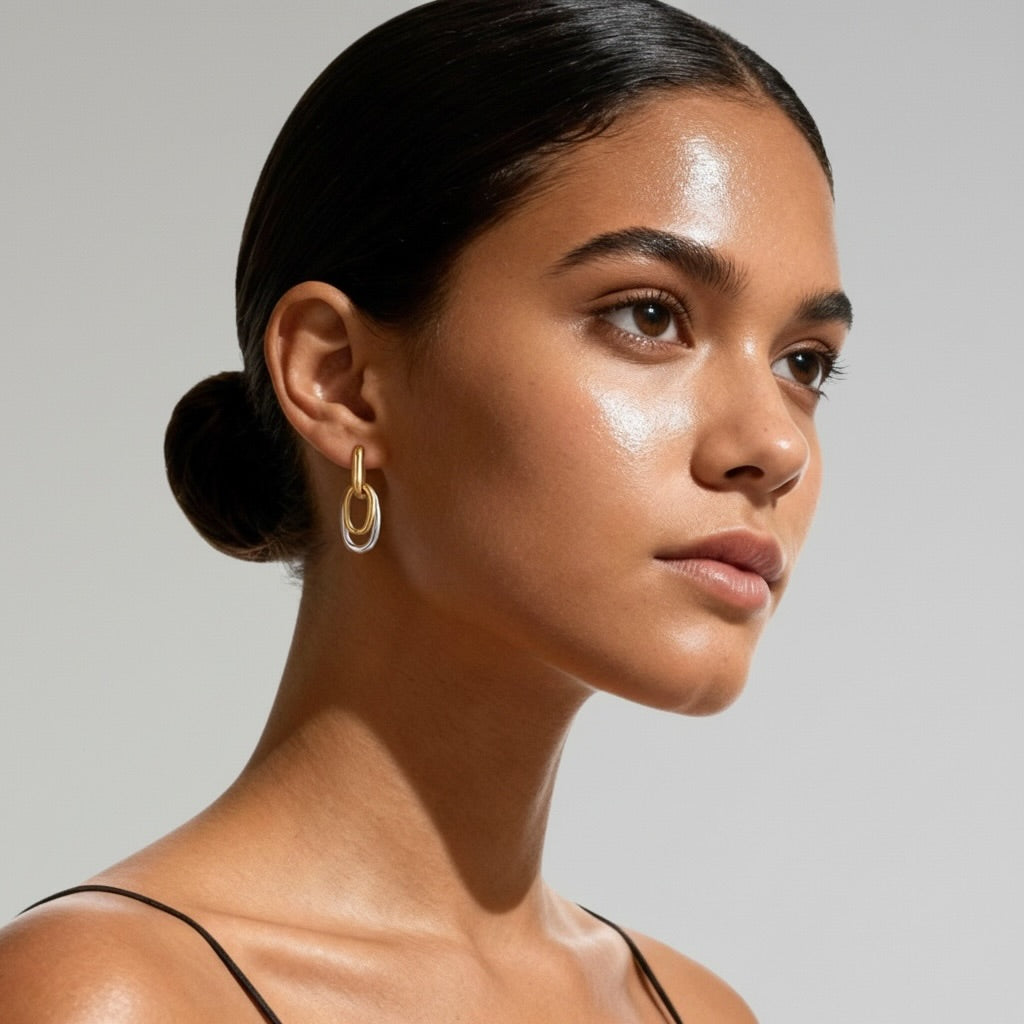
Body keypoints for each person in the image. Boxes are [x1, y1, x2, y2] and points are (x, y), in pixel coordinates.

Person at [0, 0, 851, 1020]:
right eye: (649, 314)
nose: (776, 445)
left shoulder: (695, 1009)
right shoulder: (111, 998)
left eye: (805, 363)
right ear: (342, 381)